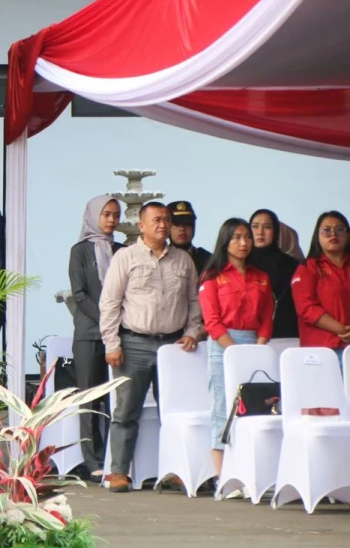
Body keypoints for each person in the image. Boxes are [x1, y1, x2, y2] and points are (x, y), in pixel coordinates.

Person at [99, 201, 202, 493]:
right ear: (141, 225)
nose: (163, 225)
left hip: (174, 346)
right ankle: (119, 472)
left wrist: (193, 330)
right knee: (126, 411)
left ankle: (174, 470)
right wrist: (112, 343)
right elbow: (109, 302)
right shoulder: (126, 257)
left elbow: (194, 303)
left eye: (166, 220)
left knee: (173, 412)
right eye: (156, 220)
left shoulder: (183, 260)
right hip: (133, 343)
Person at [198, 218, 273, 474]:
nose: (244, 243)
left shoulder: (261, 277)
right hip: (223, 346)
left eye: (247, 237)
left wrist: (259, 346)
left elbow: (266, 317)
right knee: (223, 408)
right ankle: (223, 474)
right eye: (237, 237)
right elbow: (212, 321)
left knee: (254, 406)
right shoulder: (213, 277)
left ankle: (250, 469)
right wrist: (234, 351)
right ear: (225, 241)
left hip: (254, 345)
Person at [67, 195, 123, 481]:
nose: (112, 220)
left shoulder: (123, 250)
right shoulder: (80, 251)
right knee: (89, 397)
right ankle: (92, 460)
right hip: (90, 335)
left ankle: (116, 457)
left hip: (118, 337)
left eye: (116, 214)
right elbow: (79, 295)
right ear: (93, 216)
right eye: (106, 214)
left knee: (114, 398)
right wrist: (107, 320)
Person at [291, 210, 350, 353]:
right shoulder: (308, 267)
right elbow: (306, 308)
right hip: (322, 349)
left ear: (348, 235)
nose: (333, 234)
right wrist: (341, 329)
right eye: (326, 230)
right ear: (317, 236)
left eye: (340, 229)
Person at [247, 208, 300, 339]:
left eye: (267, 227)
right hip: (247, 334)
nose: (260, 232)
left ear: (276, 231)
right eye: (255, 226)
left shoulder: (291, 265)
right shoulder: (241, 262)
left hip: (284, 334)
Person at [168, 200, 212, 273]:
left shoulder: (207, 259)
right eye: (176, 224)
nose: (182, 229)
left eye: (187, 224)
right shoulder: (160, 257)